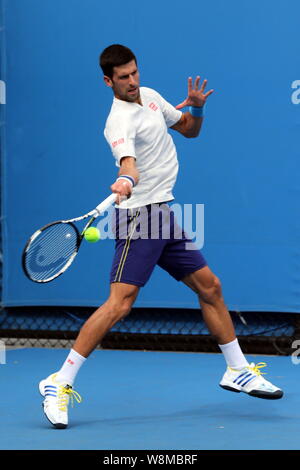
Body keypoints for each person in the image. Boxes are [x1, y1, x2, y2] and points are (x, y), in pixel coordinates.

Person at [39, 44, 283, 429]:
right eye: (123, 77)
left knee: (210, 288)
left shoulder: (150, 97)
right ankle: (58, 382)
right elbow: (129, 165)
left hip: (163, 214)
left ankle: (236, 369)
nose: (133, 81)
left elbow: (189, 131)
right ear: (108, 81)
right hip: (138, 219)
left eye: (134, 72)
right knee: (120, 304)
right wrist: (125, 177)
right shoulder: (117, 122)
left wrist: (197, 107)